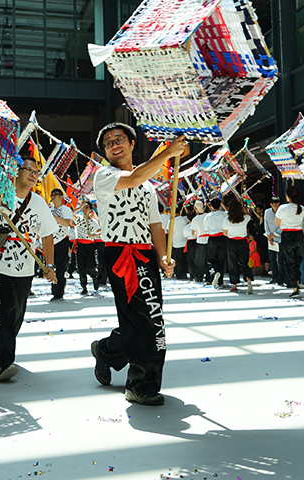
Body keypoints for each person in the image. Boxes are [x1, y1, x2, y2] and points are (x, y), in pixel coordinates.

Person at [89, 123, 184, 406]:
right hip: (120, 255)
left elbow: (155, 225)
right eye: (108, 143)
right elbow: (132, 179)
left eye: (119, 139)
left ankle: (107, 350)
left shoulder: (149, 186)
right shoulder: (104, 175)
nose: (114, 145)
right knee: (145, 320)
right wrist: (168, 153)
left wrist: (162, 256)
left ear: (132, 143)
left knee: (148, 318)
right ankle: (140, 384)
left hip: (144, 255)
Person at [0, 157, 57, 382]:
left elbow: (47, 234)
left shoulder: (38, 202)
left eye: (36, 172)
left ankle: (3, 349)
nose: (33, 175)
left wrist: (50, 265)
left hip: (25, 268)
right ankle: (3, 360)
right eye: (28, 170)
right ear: (15, 172)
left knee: (16, 314)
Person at [276, 186, 304, 298]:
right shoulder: (302, 208)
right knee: (298, 260)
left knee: (289, 261)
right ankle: (297, 283)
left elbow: (278, 223)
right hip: (299, 235)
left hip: (287, 235)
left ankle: (295, 287)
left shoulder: (282, 208)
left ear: (288, 196)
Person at [222, 195, 253, 294]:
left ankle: (234, 285)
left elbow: (225, 233)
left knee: (232, 264)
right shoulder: (245, 218)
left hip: (231, 242)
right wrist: (243, 205)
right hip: (243, 242)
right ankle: (248, 280)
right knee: (244, 262)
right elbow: (249, 216)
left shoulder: (226, 220)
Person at [48, 188, 73, 300]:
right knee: (50, 267)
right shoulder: (48, 210)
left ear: (61, 197)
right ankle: (54, 290)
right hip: (50, 241)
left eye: (55, 194)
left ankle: (59, 292)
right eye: (51, 195)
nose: (53, 197)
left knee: (60, 267)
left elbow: (67, 223)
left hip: (61, 240)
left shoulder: (66, 209)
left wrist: (54, 218)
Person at [75, 200, 101, 291]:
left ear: (90, 210)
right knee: (80, 267)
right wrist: (79, 207)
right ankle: (84, 287)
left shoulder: (94, 222)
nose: (84, 209)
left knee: (91, 265)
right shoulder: (79, 219)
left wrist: (93, 235)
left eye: (86, 207)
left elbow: (99, 232)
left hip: (90, 246)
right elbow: (71, 214)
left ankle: (94, 277)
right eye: (83, 208)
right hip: (80, 245)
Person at [160, 204, 188, 281]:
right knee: (185, 259)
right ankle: (185, 273)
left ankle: (179, 274)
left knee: (178, 260)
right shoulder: (184, 219)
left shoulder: (171, 221)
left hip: (176, 243)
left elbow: (169, 232)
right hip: (184, 242)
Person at [204, 199, 228, 288]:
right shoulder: (224, 214)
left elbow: (205, 229)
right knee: (221, 260)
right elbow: (227, 211)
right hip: (223, 238)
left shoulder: (208, 216)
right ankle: (220, 280)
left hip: (212, 238)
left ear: (211, 206)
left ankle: (214, 273)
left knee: (211, 259)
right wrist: (222, 204)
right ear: (220, 205)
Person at [188, 201, 209, 283]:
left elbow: (193, 233)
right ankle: (209, 277)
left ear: (195, 208)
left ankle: (199, 277)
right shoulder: (207, 216)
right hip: (209, 239)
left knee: (199, 261)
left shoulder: (195, 219)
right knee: (208, 260)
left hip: (200, 240)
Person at [264, 196, 283, 283]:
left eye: (278, 205)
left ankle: (281, 277)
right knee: (272, 259)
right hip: (270, 238)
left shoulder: (282, 212)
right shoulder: (267, 212)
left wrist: (273, 234)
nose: (276, 207)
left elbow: (282, 225)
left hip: (279, 237)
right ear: (271, 204)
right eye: (275, 205)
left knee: (280, 259)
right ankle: (274, 276)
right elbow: (266, 224)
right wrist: (268, 235)